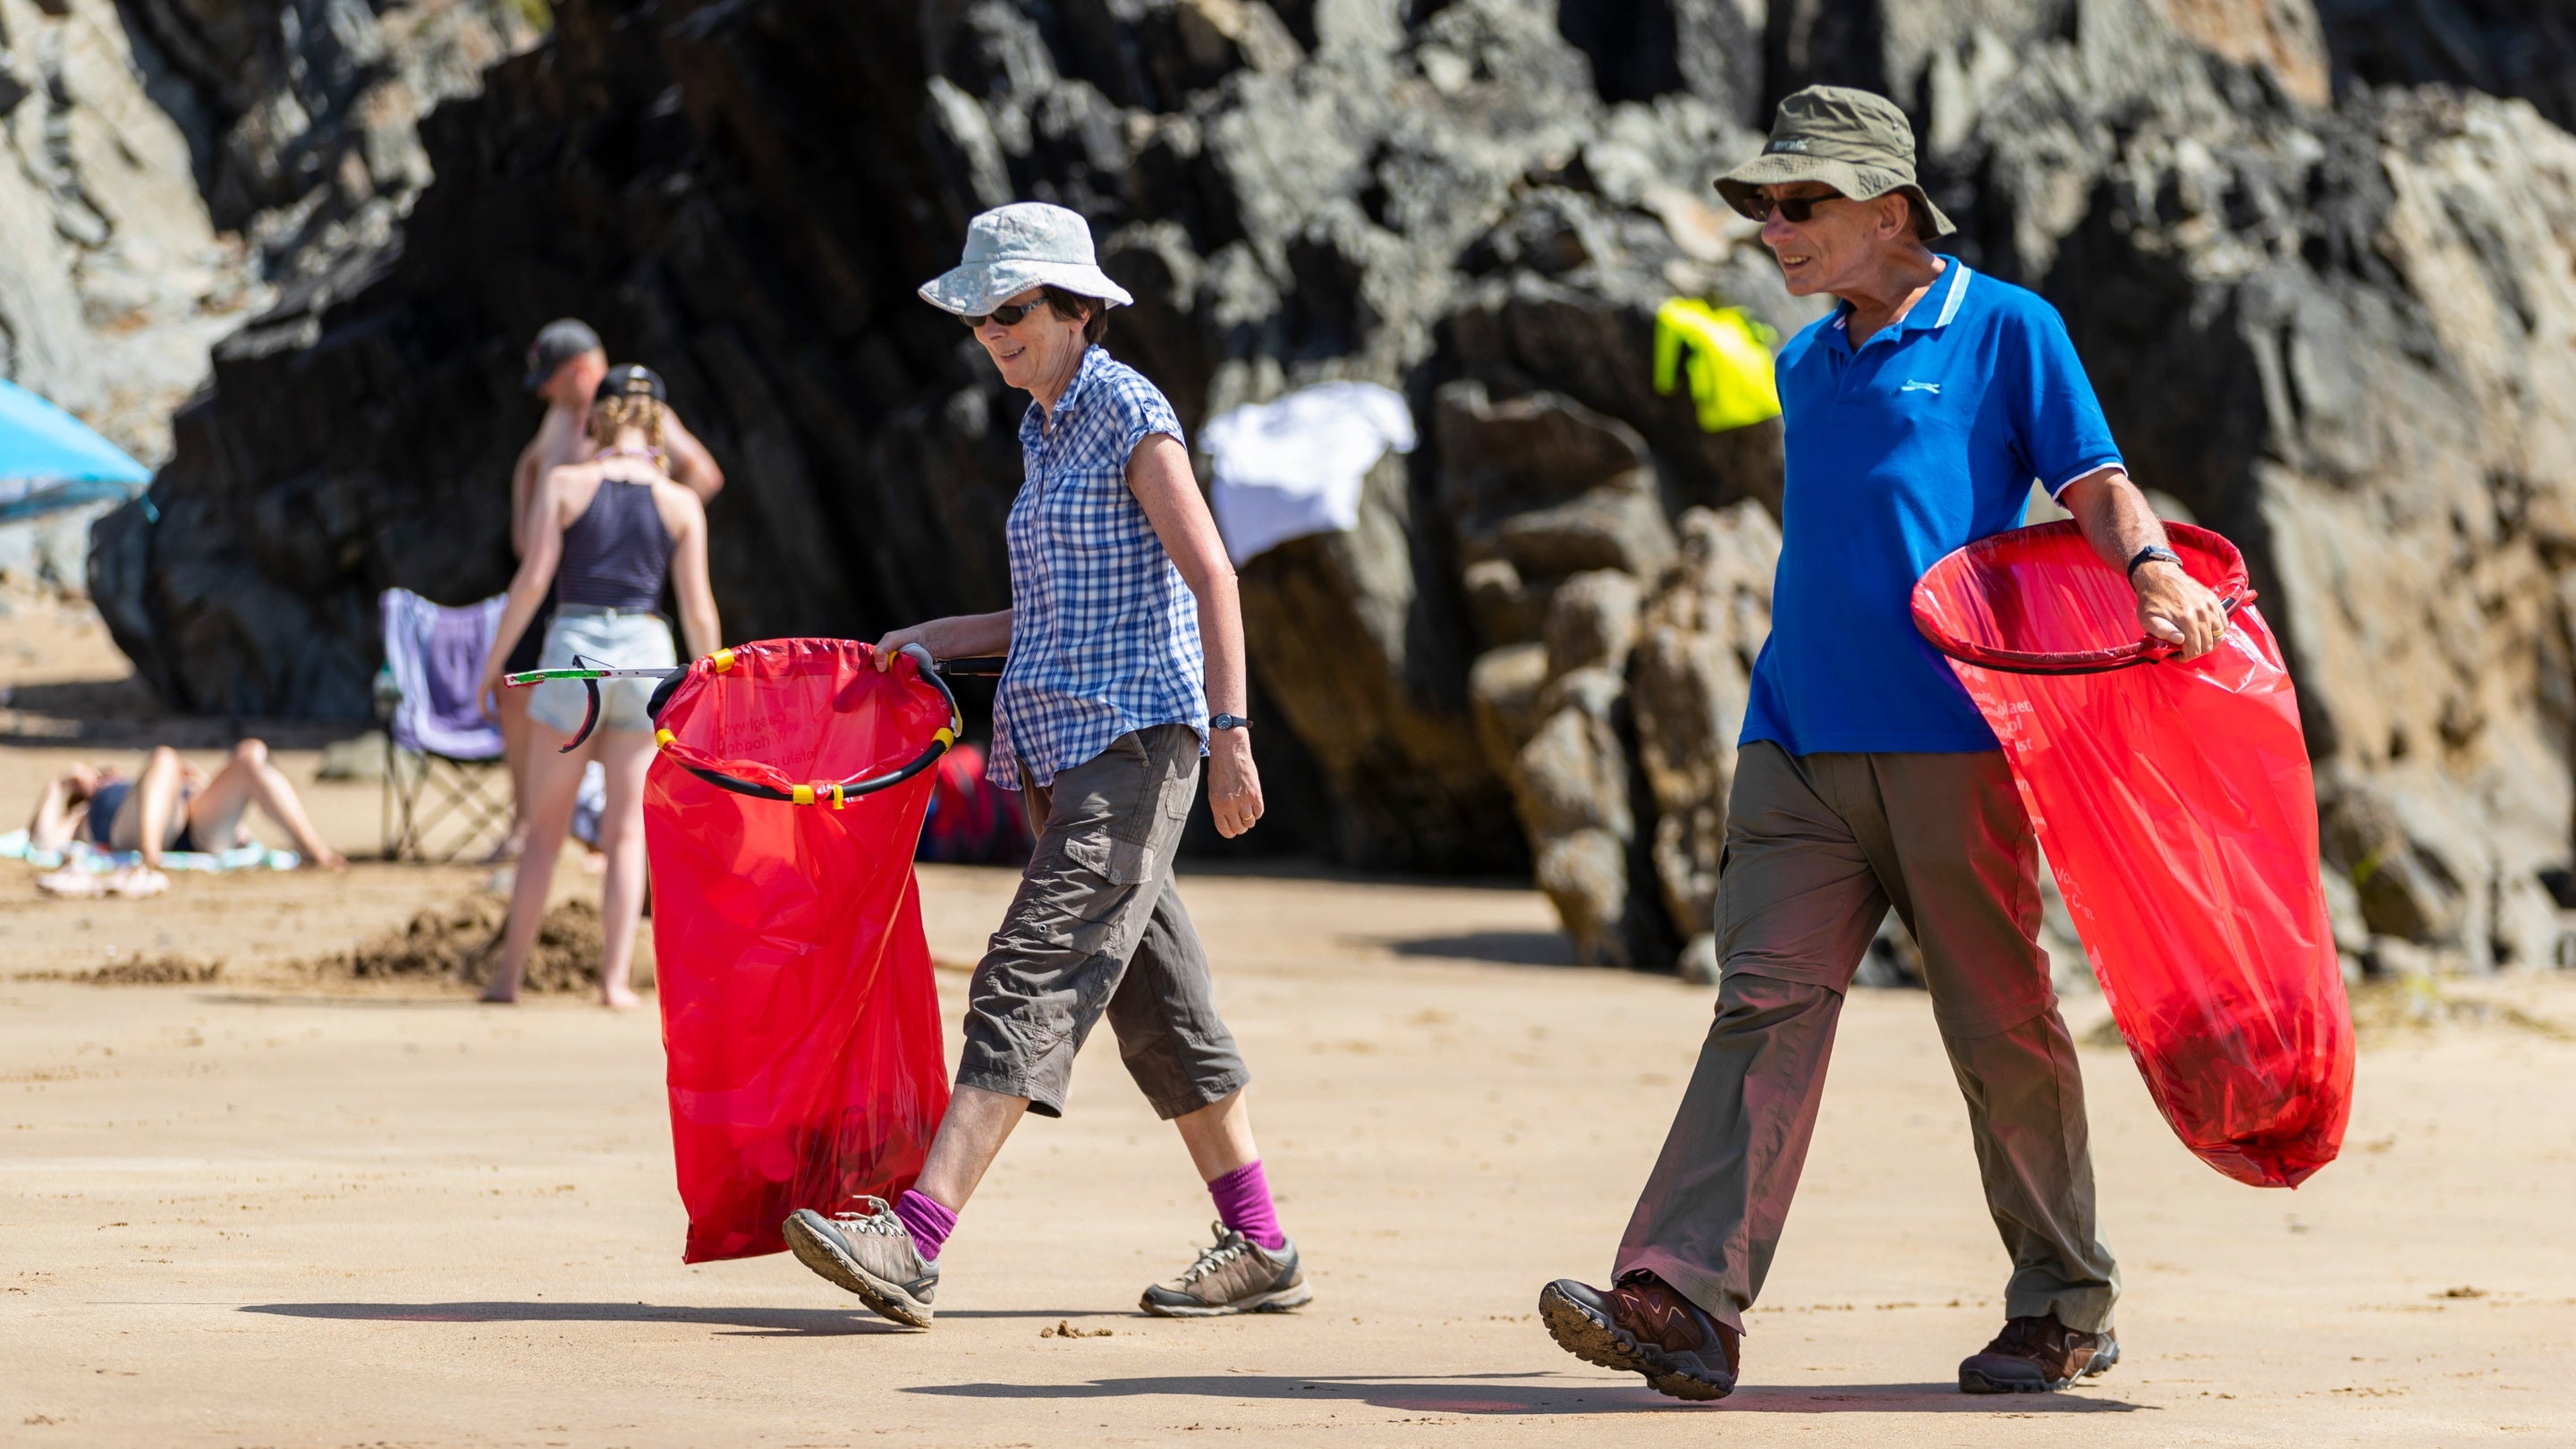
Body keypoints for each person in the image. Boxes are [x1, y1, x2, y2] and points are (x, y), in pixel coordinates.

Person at [1536, 86, 2229, 1402]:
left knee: (1998, 1024)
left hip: (1952, 742)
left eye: (1801, 205)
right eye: (1764, 208)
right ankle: (1684, 1298)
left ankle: (2065, 1300)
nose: (1774, 230)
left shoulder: (2008, 329)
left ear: (1890, 210)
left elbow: (2091, 478)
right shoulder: (1804, 362)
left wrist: (2147, 570)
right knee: (1762, 1004)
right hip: (1794, 734)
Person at [777, 201, 1301, 1328]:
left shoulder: (1126, 408)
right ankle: (1262, 1244)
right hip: (1059, 753)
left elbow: (1214, 574)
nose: (992, 332)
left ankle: (912, 1242)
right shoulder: (1044, 427)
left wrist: (1232, 736)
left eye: (1010, 310)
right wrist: (940, 638)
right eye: (978, 317)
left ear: (1075, 308)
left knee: (1030, 964)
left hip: (1136, 742)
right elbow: (1056, 610)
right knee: (1161, 1005)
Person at [478, 365, 721, 1009]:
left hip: (575, 659)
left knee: (544, 832)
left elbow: (531, 583)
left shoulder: (566, 484)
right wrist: (715, 681)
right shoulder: (680, 502)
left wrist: (494, 663)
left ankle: (508, 980)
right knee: (625, 835)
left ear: (596, 420)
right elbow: (697, 609)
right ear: (658, 425)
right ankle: (613, 984)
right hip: (645, 656)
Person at [496, 320, 724, 862]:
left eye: (550, 380)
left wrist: (643, 526)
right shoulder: (558, 417)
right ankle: (530, 822)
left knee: (586, 719)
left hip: (613, 587)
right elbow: (530, 469)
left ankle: (557, 832)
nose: (544, 391)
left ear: (580, 371)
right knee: (517, 699)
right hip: (566, 580)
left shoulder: (640, 406)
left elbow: (705, 474)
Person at [25, 741, 349, 893]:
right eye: (99, 774)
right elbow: (43, 841)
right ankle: (151, 859)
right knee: (165, 756)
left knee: (251, 754)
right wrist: (61, 784)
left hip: (193, 821)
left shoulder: (152, 780)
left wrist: (199, 782)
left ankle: (317, 852)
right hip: (134, 831)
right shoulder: (84, 811)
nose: (104, 774)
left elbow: (243, 833)